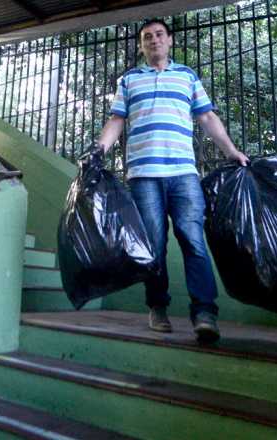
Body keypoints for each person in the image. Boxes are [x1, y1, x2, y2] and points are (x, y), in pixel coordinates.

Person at [95, 18, 249, 343]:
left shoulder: (187, 76)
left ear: (170, 40)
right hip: (143, 176)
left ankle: (204, 313)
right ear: (142, 45)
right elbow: (117, 120)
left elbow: (207, 116)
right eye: (147, 37)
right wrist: (99, 150)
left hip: (183, 174)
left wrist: (231, 151)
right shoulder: (130, 80)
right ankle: (157, 307)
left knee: (194, 240)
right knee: (153, 246)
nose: (154, 40)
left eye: (159, 34)